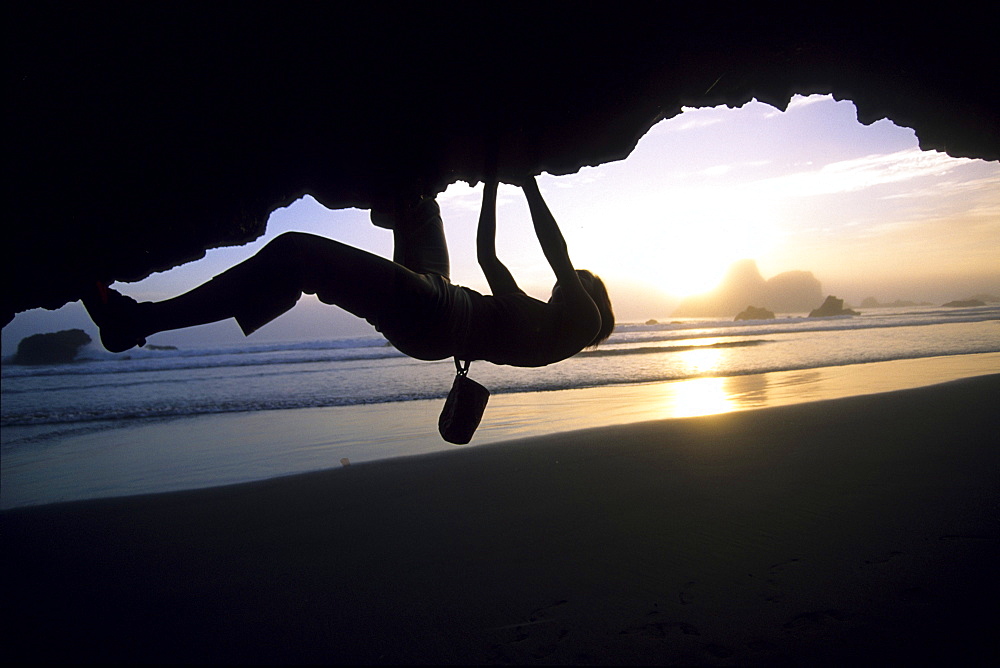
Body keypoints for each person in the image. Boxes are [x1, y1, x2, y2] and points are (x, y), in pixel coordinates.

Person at [83, 176, 614, 367]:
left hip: (435, 316)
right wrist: (498, 183)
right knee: (418, 202)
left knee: (297, 253)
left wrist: (523, 183)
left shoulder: (579, 325)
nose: (563, 283)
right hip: (438, 302)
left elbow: (551, 251)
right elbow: (490, 260)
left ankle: (137, 321)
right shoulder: (546, 324)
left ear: (590, 299)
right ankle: (386, 196)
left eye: (572, 284)